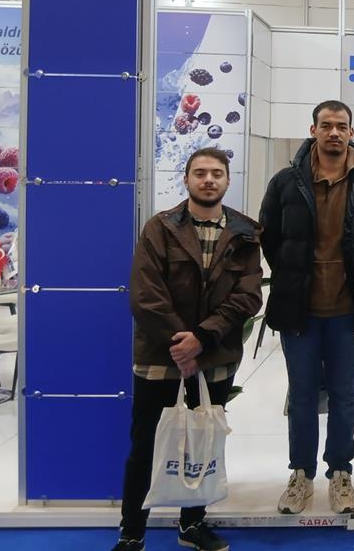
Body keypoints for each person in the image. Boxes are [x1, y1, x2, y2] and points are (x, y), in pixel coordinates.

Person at [113, 148, 262, 551]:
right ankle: (132, 532)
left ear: (228, 180)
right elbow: (146, 295)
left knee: (203, 443)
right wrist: (182, 342)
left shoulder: (246, 233)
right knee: (146, 445)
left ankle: (192, 524)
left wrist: (203, 338)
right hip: (160, 357)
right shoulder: (160, 228)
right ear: (186, 179)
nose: (208, 179)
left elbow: (248, 295)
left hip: (215, 356)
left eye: (216, 173)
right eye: (200, 173)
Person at [259, 100, 354, 515]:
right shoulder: (285, 183)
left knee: (344, 396)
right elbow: (270, 238)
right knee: (301, 396)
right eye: (327, 125)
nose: (335, 132)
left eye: (342, 126)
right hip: (300, 311)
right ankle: (301, 474)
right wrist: (293, 275)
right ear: (313, 130)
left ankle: (340, 472)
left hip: (348, 311)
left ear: (352, 132)